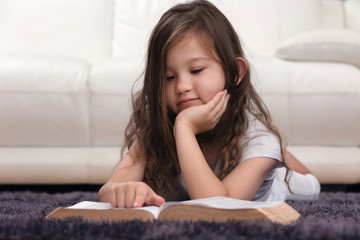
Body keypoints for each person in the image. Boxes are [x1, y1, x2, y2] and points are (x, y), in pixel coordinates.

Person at [98, 0, 320, 208]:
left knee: (307, 181)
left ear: (235, 73)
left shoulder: (258, 140)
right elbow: (109, 190)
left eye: (196, 70)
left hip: (281, 184)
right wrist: (124, 190)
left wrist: (184, 128)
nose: (181, 86)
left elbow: (217, 205)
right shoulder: (157, 129)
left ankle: (278, 154)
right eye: (168, 77)